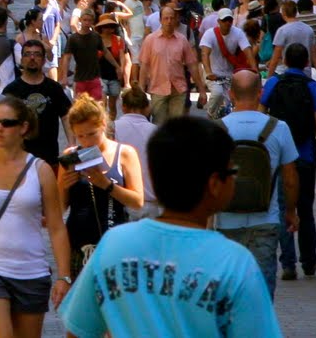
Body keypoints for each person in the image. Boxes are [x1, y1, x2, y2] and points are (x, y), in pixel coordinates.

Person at [60, 116, 283, 337]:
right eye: (232, 172)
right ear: (215, 184)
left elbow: (78, 331)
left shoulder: (113, 245)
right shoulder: (236, 263)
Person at [0, 96, 73, 337]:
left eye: (7, 123)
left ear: (23, 128)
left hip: (32, 272)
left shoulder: (41, 171)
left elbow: (56, 227)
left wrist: (64, 276)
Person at [215, 69, 299, 296]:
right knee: (263, 287)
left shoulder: (217, 129)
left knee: (229, 288)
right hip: (266, 219)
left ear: (231, 94)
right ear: (260, 93)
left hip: (227, 220)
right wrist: (291, 212)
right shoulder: (278, 128)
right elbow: (290, 178)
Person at [262, 42, 316, 281]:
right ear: (306, 63)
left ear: (284, 61)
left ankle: (288, 263)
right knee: (305, 208)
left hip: (278, 157)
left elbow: (261, 115)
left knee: (283, 208)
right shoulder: (313, 88)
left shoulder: (273, 83)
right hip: (305, 155)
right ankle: (309, 261)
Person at [56, 96, 146, 277]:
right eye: (80, 136)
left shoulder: (124, 153)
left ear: (103, 125)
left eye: (92, 134)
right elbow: (60, 208)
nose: (86, 141)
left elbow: (138, 201)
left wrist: (106, 185)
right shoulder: (71, 156)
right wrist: (64, 186)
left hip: (115, 241)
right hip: (79, 244)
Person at [0, 37, 72, 166]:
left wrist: (72, 144)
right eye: (27, 54)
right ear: (21, 60)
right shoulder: (11, 90)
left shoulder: (54, 88)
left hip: (49, 158)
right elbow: (1, 122)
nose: (32, 58)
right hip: (18, 159)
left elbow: (66, 116)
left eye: (37, 54)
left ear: (44, 60)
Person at [111, 88, 158, 219]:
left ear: (123, 107)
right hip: (153, 200)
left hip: (123, 198)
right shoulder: (157, 132)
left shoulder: (113, 129)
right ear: (147, 107)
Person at [200, 7, 254, 119]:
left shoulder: (238, 33)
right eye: (224, 20)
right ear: (219, 21)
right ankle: (210, 115)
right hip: (213, 74)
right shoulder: (209, 34)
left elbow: (248, 51)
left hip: (229, 74)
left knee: (231, 103)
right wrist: (209, 72)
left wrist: (254, 71)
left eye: (230, 20)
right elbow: (205, 54)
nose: (227, 23)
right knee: (217, 93)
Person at [60, 6, 106, 102]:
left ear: (93, 21)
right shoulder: (73, 38)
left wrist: (117, 66)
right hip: (80, 79)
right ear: (80, 20)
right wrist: (64, 76)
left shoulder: (96, 36)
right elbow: (67, 58)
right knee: (80, 106)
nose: (87, 23)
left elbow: (105, 51)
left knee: (97, 105)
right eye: (85, 20)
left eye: (89, 20)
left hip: (94, 78)